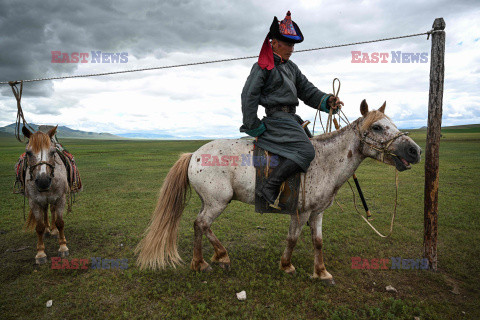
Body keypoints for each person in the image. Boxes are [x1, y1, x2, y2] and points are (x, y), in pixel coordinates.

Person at [240, 11, 344, 208]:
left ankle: (304, 200)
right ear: (274, 42)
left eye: (293, 45)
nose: (292, 49)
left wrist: (327, 100)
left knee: (314, 146)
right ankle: (269, 187)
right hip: (276, 119)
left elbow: (307, 90)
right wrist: (253, 126)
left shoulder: (292, 68)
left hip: (291, 119)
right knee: (306, 151)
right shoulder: (262, 66)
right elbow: (248, 96)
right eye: (288, 44)